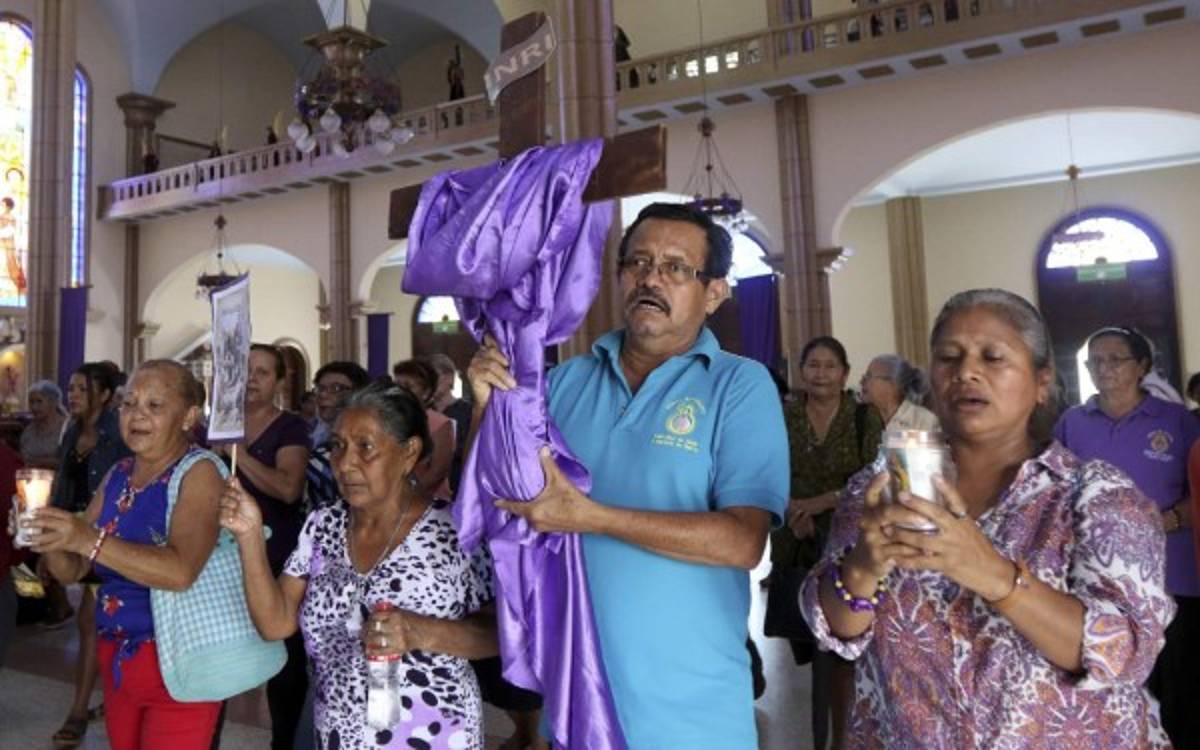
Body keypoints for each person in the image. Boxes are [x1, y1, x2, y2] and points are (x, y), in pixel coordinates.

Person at [471, 202, 788, 748]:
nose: (651, 278)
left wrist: (592, 517)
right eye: (638, 262)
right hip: (577, 702)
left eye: (675, 268)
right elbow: (501, 497)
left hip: (693, 716)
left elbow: (743, 541)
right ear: (618, 276)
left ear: (714, 292)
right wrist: (485, 407)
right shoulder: (567, 381)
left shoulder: (739, 385)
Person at [800, 289, 1174, 747]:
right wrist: (863, 566)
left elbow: (1126, 652)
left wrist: (994, 575)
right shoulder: (880, 489)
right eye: (949, 358)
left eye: (992, 357)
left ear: (1041, 382)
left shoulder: (1096, 496)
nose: (966, 372)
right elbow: (837, 630)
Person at [219, 381, 498, 747]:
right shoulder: (323, 526)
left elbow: (502, 633)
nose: (345, 463)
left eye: (365, 447)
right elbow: (276, 623)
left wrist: (420, 632)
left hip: (432, 733)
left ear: (409, 452)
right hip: (339, 731)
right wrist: (249, 534)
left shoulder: (455, 531)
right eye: (338, 447)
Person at [26, 360, 227, 749]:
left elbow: (181, 571)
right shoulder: (119, 473)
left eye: (154, 406)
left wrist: (87, 538)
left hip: (179, 663)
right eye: (130, 403)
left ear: (188, 416)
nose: (137, 415)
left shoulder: (199, 472)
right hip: (118, 655)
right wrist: (50, 541)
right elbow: (76, 569)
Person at [1053, 325, 1200, 744]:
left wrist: (1165, 523)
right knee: (1114, 684)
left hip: (1173, 577)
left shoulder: (1176, 421)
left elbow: (1199, 488)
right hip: (1097, 582)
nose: (1103, 368)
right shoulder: (1073, 422)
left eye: (1115, 359)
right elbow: (1053, 490)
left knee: (1179, 686)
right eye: (1094, 361)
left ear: (1142, 367)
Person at [770, 335, 882, 750]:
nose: (821, 373)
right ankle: (821, 732)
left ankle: (841, 738)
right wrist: (791, 511)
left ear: (845, 373)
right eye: (812, 365)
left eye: (829, 366)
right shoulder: (784, 416)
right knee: (808, 645)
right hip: (793, 536)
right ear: (801, 372)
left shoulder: (863, 417)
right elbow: (766, 465)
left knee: (845, 648)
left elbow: (872, 473)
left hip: (848, 538)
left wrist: (815, 506)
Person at [210, 343, 309, 750]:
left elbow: (288, 489)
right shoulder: (212, 424)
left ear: (279, 381)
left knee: (283, 660)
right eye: (245, 370)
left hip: (274, 556)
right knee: (215, 656)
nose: (251, 378)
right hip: (219, 556)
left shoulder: (290, 428)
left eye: (262, 372)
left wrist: (238, 454)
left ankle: (284, 742)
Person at [44, 362, 131, 748]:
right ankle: (89, 706)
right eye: (71, 387)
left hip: (109, 533)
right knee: (91, 623)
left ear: (106, 395)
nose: (72, 395)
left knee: (95, 620)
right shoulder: (72, 431)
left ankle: (83, 710)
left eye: (81, 388)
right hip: (73, 530)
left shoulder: (121, 433)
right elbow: (63, 482)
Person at [304, 360, 370, 513]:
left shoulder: (366, 438)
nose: (324, 395)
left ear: (359, 393)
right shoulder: (310, 431)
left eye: (336, 388)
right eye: (320, 388)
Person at [393, 359, 455, 499]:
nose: (400, 391)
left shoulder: (440, 423)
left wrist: (405, 497)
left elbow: (437, 473)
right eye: (397, 385)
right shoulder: (389, 420)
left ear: (426, 393)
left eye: (408, 387)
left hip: (429, 501)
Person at [425, 353, 472, 492]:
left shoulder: (467, 412)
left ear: (449, 378)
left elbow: (468, 453)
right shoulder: (422, 413)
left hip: (457, 488)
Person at [859, 353, 940, 431]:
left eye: (868, 376)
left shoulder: (924, 422)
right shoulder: (861, 418)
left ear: (892, 384)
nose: (861, 381)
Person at [21, 379, 67, 468]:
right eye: (31, 402)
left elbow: (71, 462)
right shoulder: (28, 431)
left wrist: (42, 462)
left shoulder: (68, 428)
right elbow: (25, 460)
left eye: (39, 401)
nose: (34, 407)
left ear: (53, 402)